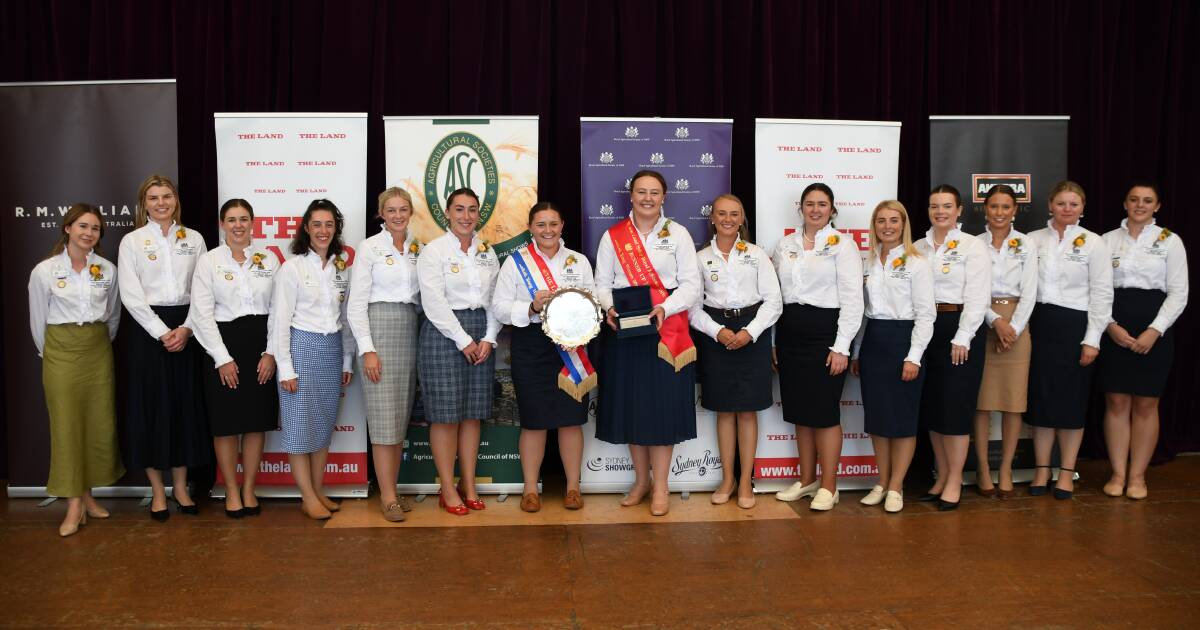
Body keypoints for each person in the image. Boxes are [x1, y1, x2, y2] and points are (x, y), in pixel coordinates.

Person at [595, 169, 702, 517]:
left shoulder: (679, 234)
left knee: (661, 408)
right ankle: (641, 482)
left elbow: (691, 286)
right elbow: (601, 283)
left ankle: (661, 486)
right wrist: (609, 307)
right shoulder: (613, 237)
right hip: (625, 331)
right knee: (632, 407)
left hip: (665, 330)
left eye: (654, 192)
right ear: (631, 196)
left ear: (664, 197)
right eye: (641, 192)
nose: (647, 198)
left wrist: (664, 306)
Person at [117, 174, 211, 521]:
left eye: (166, 196)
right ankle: (157, 492)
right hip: (147, 332)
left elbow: (203, 290)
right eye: (153, 197)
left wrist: (186, 328)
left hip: (188, 329)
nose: (161, 203)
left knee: (184, 408)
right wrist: (162, 332)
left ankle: (182, 488)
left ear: (175, 200)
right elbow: (130, 295)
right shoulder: (132, 241)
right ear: (144, 204)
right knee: (151, 409)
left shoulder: (195, 239)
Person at [493, 202, 596, 512]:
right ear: (530, 228)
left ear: (562, 225)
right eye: (541, 225)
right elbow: (499, 308)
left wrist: (577, 332)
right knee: (534, 422)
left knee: (570, 421)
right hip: (531, 345)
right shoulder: (515, 263)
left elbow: (593, 305)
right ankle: (530, 490)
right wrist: (533, 307)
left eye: (553, 224)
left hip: (571, 347)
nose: (548, 230)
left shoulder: (578, 261)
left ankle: (573, 488)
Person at [28, 204, 124, 536]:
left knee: (97, 424)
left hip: (97, 350)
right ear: (67, 228)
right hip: (60, 352)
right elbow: (38, 321)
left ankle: (89, 496)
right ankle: (72, 505)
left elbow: (112, 317)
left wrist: (95, 342)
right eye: (83, 226)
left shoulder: (107, 270)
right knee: (67, 427)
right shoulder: (45, 270)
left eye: (95, 228)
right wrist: (53, 353)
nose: (88, 233)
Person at [770, 184, 861, 511]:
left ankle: (829, 486)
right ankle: (807, 480)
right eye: (810, 204)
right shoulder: (786, 245)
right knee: (800, 412)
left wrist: (841, 347)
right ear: (801, 207)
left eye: (822, 204)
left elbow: (853, 301)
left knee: (824, 413)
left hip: (826, 335)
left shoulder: (843, 245)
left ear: (832, 209)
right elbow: (776, 297)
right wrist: (775, 342)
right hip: (790, 333)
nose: (816, 209)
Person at [691, 194, 782, 510]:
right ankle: (728, 478)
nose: (728, 219)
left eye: (734, 214)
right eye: (721, 214)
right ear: (712, 218)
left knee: (747, 410)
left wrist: (750, 332)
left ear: (743, 218)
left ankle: (746, 480)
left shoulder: (756, 255)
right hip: (715, 332)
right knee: (724, 410)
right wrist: (717, 331)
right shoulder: (700, 258)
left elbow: (774, 302)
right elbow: (692, 306)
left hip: (751, 330)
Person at [190, 199, 278, 518]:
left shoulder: (268, 259)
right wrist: (222, 358)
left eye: (243, 219)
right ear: (221, 224)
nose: (238, 225)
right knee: (225, 425)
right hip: (222, 347)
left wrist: (271, 352)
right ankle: (230, 489)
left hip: (260, 347)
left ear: (252, 223)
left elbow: (279, 312)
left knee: (256, 423)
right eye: (231, 219)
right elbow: (201, 314)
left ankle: (250, 488)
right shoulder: (209, 262)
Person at [1099, 182, 1188, 500]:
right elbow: (1098, 289)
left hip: (1155, 329)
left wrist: (1155, 330)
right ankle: (1118, 473)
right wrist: (1109, 326)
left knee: (1147, 404)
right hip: (1114, 327)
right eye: (1134, 199)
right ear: (1125, 203)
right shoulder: (1107, 240)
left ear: (1157, 206)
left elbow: (1179, 293)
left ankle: (1137, 477)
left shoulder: (1170, 241)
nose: (1140, 205)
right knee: (1117, 401)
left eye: (1147, 201)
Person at [1025, 181, 1113, 499]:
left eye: (1073, 204)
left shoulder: (1094, 243)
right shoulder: (1033, 240)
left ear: (1082, 207)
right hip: (1039, 325)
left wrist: (1092, 340)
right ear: (1050, 205)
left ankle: (1065, 473)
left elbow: (1102, 294)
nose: (1067, 209)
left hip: (1076, 327)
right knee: (1042, 401)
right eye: (1061, 203)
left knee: (1071, 403)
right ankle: (1041, 470)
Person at [416, 188, 500, 516]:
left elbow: (496, 298)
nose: (466, 216)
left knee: (472, 414)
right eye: (460, 209)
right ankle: (447, 488)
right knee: (446, 415)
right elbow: (433, 303)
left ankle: (469, 484)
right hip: (444, 334)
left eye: (472, 210)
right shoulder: (434, 251)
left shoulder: (486, 252)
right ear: (447, 213)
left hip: (481, 333)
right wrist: (463, 339)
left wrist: (489, 338)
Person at [271, 199, 356, 520]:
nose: (323, 231)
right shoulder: (292, 268)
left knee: (322, 427)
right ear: (306, 228)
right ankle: (307, 497)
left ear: (336, 229)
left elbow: (345, 319)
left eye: (329, 225)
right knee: (297, 426)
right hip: (301, 348)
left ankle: (317, 491)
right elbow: (280, 321)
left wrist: (347, 361)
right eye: (317, 224)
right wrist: (286, 368)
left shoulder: (341, 267)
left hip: (331, 350)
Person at [851, 200, 935, 514]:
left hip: (905, 342)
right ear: (874, 226)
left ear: (904, 225)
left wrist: (913, 357)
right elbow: (863, 314)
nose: (887, 226)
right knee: (878, 420)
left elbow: (926, 316)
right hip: (874, 342)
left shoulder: (917, 262)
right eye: (881, 221)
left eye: (894, 221)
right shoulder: (867, 262)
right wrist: (858, 351)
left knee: (902, 420)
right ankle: (882, 482)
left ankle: (897, 486)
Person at [913, 185, 991, 511]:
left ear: (959, 210)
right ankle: (942, 475)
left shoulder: (972, 246)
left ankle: (956, 479)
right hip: (925, 328)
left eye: (947, 206)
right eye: (934, 206)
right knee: (933, 408)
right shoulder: (917, 246)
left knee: (955, 408)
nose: (940, 211)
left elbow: (978, 296)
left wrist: (963, 337)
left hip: (959, 329)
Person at [347, 188, 422, 522]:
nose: (397, 215)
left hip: (409, 327)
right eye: (390, 210)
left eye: (403, 209)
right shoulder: (370, 248)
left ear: (410, 212)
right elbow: (355, 304)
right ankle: (387, 495)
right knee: (381, 417)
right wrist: (368, 350)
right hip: (379, 327)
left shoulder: (417, 248)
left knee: (399, 415)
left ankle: (394, 487)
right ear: (381, 213)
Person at [972, 185, 1037, 499]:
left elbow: (1031, 291)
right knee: (981, 404)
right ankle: (983, 469)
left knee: (1013, 404)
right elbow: (969, 289)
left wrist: (1012, 327)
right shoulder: (973, 244)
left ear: (1015, 210)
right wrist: (995, 322)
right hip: (980, 320)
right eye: (994, 206)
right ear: (985, 209)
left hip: (1017, 324)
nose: (999, 212)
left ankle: (1007, 469)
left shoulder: (1026, 244)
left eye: (1005, 207)